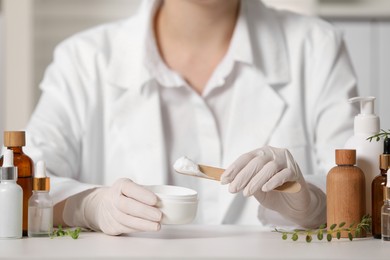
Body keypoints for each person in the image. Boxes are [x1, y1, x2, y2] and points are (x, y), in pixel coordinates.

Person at [25, 0, 358, 235]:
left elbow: (360, 195)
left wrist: (309, 202)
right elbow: (24, 185)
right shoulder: (83, 61)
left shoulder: (316, 48)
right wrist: (86, 206)